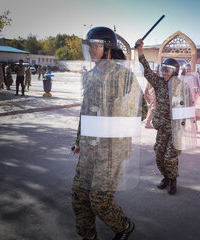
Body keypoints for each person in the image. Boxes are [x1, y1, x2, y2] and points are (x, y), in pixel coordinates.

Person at [72, 26, 141, 240]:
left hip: (111, 149)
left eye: (96, 45)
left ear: (108, 48)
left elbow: (142, 110)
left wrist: (115, 111)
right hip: (90, 147)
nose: (91, 50)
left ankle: (124, 226)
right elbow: (85, 113)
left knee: (100, 200)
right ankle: (88, 236)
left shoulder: (125, 76)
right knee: (79, 196)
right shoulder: (91, 76)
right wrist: (78, 141)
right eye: (89, 45)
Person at [136, 38, 185, 195]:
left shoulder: (181, 86)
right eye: (163, 69)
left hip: (176, 130)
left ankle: (173, 181)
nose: (164, 73)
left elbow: (188, 107)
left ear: (175, 71)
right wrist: (140, 52)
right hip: (162, 128)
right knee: (159, 156)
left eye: (168, 70)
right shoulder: (158, 83)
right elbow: (147, 71)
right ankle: (166, 177)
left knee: (170, 157)